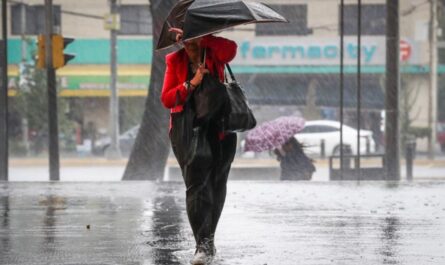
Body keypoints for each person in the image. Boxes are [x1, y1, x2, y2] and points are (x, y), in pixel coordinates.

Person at [160, 27, 237, 265]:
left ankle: (209, 239)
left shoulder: (214, 52)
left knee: (217, 185)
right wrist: (191, 83)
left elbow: (231, 50)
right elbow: (167, 98)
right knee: (196, 187)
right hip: (188, 131)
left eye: (192, 41)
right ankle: (202, 245)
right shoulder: (175, 60)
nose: (188, 46)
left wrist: (203, 37)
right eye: (185, 42)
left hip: (220, 128)